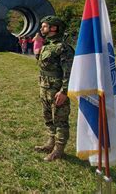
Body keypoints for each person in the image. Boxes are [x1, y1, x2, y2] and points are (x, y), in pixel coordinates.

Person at [35, 15, 74, 162]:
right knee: (48, 117)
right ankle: (50, 143)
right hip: (45, 87)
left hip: (57, 89)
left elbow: (69, 71)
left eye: (44, 26)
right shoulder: (46, 45)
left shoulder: (63, 48)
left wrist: (64, 91)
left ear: (54, 28)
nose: (41, 29)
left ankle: (59, 150)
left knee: (60, 120)